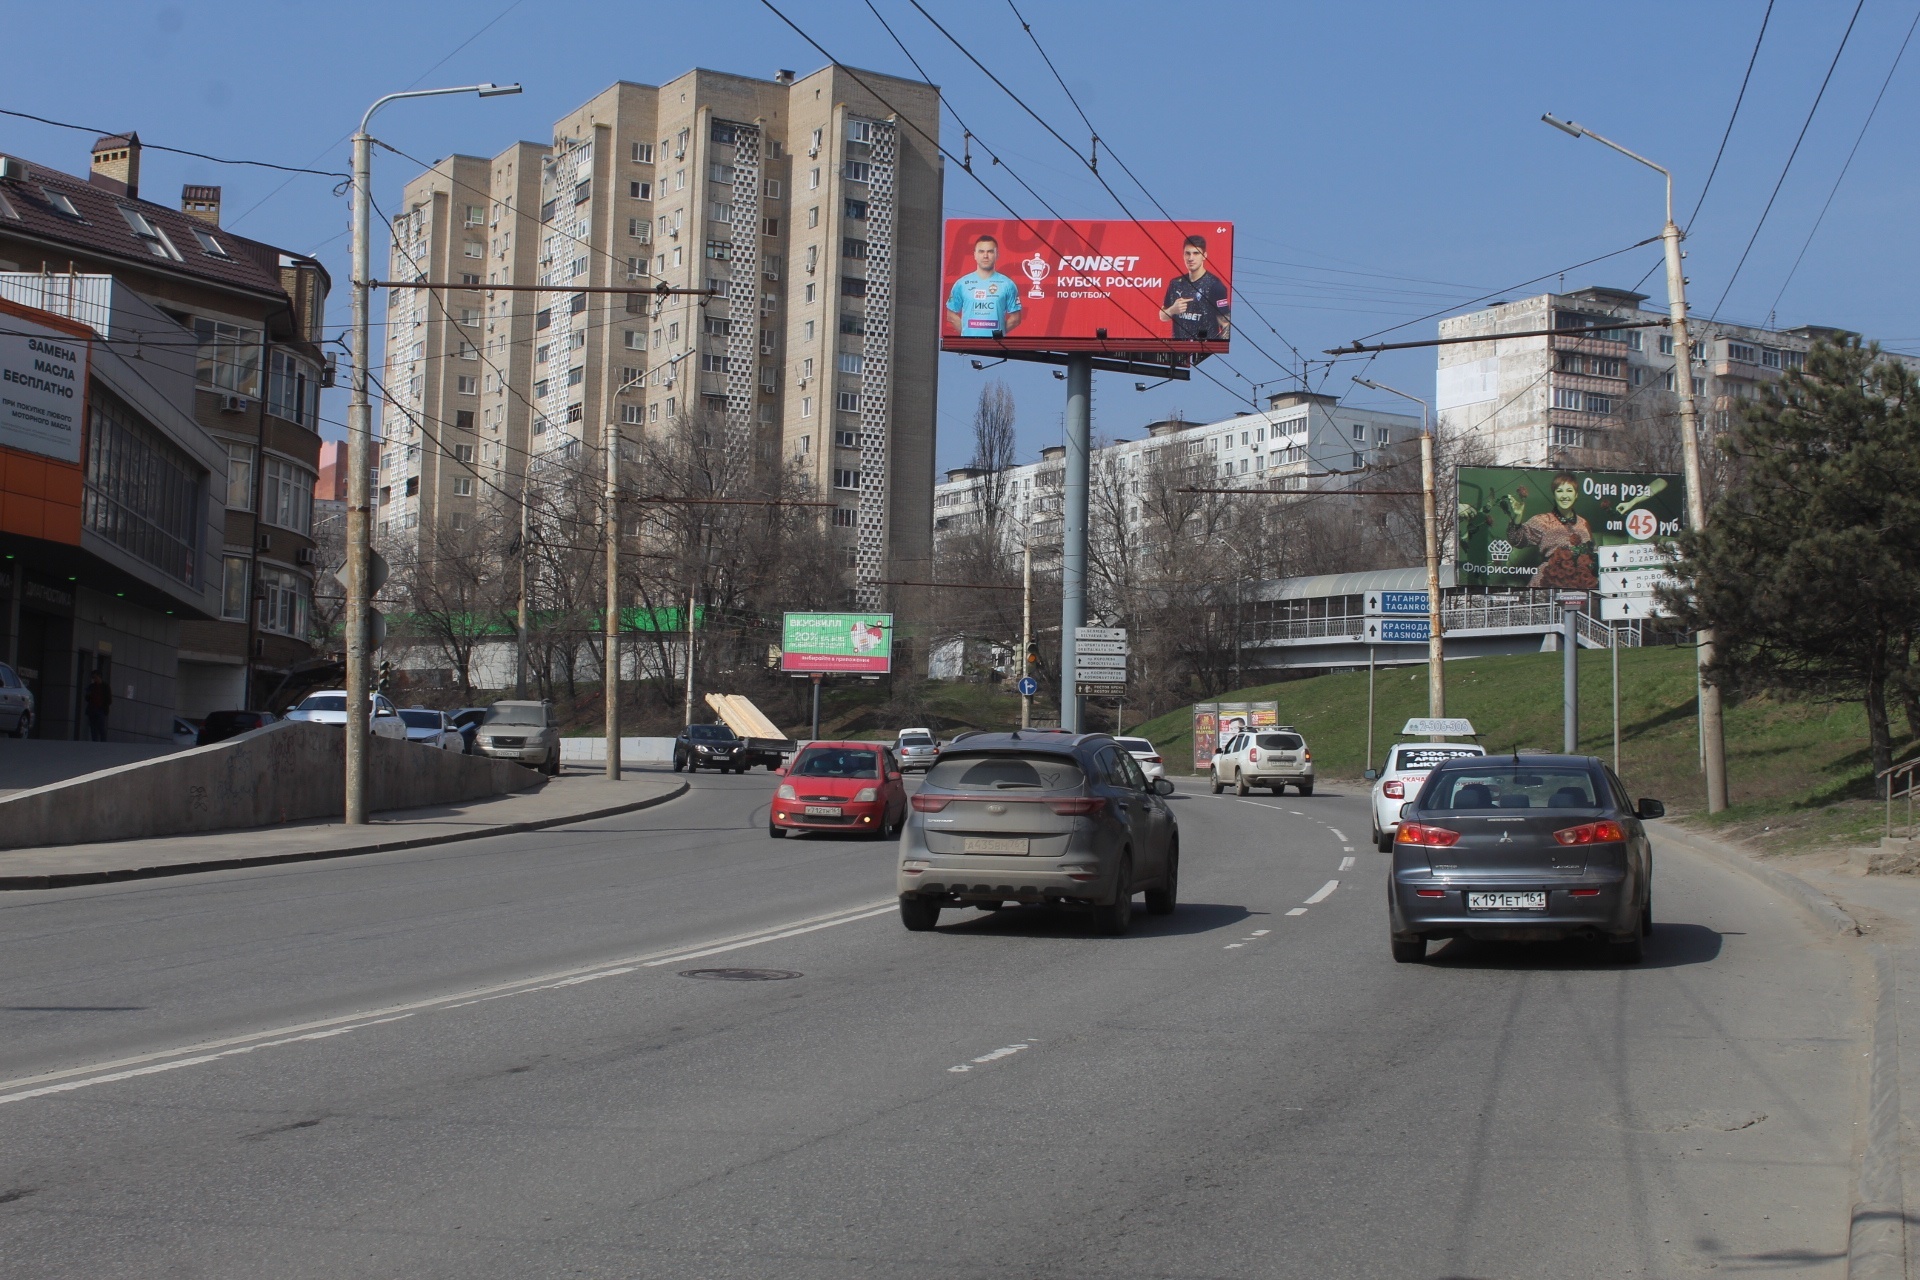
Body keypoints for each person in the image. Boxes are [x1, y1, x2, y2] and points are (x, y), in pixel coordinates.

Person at [1507, 472, 1598, 589]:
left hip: (1580, 581)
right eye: (1560, 491)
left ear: (1576, 495)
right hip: (1550, 578)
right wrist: (1517, 516)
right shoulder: (1543, 520)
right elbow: (1516, 539)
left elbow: (1592, 554)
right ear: (1554, 495)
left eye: (1569, 491)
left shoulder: (1584, 523)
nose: (1565, 496)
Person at [945, 234, 1023, 336]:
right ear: (975, 255)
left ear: (997, 255)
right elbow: (950, 315)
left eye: (990, 252)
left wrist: (998, 335)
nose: (985, 256)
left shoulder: (1007, 284)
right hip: (970, 347)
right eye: (981, 251)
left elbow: (1016, 319)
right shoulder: (962, 283)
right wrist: (967, 334)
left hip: (996, 348)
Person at [1159, 234, 1231, 341]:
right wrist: (1172, 310)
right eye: (1187, 253)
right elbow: (1162, 316)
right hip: (1178, 345)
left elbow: (1225, 323)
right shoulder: (1175, 284)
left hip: (1205, 344)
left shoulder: (1215, 285)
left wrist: (1217, 344)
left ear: (1204, 255)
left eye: (1196, 253)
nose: (1191, 258)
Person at [84, 671, 112, 742]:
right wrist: (88, 695)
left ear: (99, 677)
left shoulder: (105, 686)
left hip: (100, 709)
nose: (94, 679)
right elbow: (87, 698)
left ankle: (103, 743)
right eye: (93, 678)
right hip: (92, 709)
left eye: (95, 677)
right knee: (93, 728)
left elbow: (109, 699)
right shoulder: (91, 686)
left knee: (101, 728)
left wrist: (103, 706)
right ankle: (95, 742)